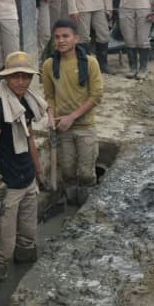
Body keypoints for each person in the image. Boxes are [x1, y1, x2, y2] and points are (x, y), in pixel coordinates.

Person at [0, 52, 46, 282]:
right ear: (6, 78)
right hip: (8, 184)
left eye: (26, 77)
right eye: (16, 77)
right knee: (4, 245)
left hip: (27, 177)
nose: (21, 81)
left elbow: (29, 139)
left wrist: (39, 172)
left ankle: (26, 278)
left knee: (28, 235)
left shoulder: (26, 102)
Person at [42, 19, 104, 206]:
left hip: (85, 126)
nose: (61, 41)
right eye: (57, 37)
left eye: (65, 36)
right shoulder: (49, 65)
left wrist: (72, 117)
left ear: (76, 38)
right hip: (63, 127)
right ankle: (70, 206)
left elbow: (96, 95)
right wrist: (52, 117)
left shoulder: (90, 63)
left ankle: (86, 210)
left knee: (86, 173)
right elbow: (49, 95)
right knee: (68, 171)